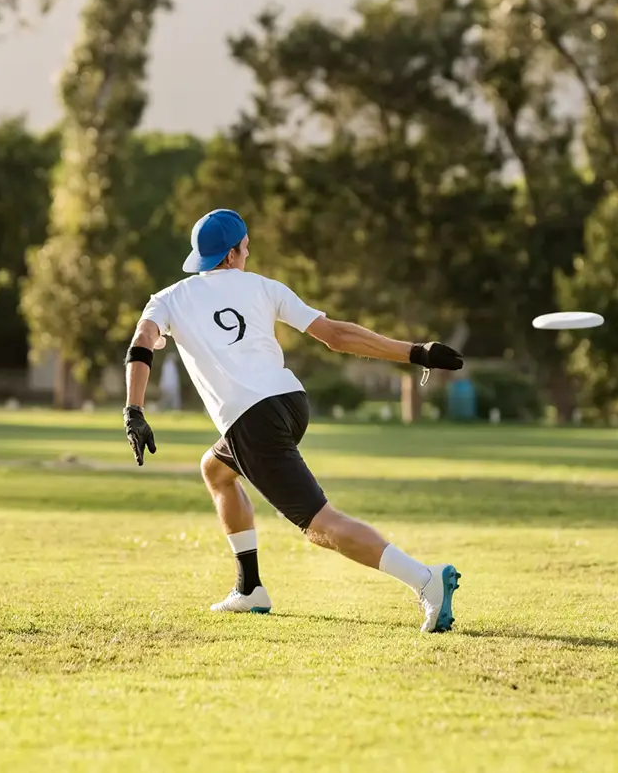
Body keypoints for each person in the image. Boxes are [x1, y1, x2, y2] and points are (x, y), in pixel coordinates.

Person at [120, 209, 466, 633]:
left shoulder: (167, 299)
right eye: (245, 248)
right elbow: (337, 336)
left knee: (320, 525)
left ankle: (425, 579)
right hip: (290, 402)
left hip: (251, 420)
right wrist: (417, 351)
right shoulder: (265, 287)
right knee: (216, 470)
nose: (248, 254)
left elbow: (142, 343)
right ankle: (250, 588)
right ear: (231, 255)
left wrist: (134, 410)